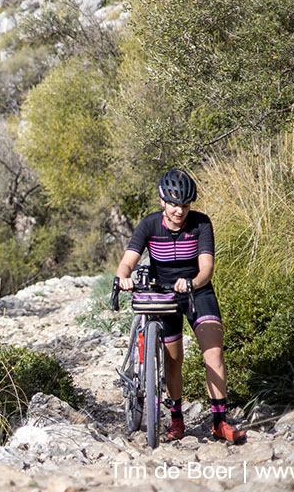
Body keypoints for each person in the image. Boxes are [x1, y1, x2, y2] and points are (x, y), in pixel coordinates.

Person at [115, 169, 246, 444]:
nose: (179, 211)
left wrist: (192, 282)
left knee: (214, 354)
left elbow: (206, 269)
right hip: (163, 296)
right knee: (174, 361)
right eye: (174, 204)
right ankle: (176, 418)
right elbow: (128, 261)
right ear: (162, 201)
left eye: (185, 205)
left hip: (197, 291)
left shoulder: (200, 224)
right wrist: (124, 277)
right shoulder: (149, 225)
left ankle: (220, 422)